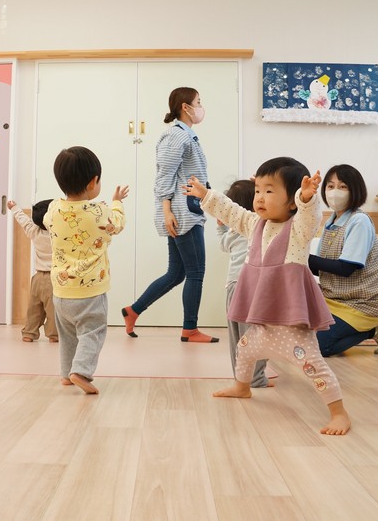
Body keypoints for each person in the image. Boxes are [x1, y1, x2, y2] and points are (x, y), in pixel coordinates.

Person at [185, 157, 351, 435]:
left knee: (314, 366)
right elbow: (232, 212)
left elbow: (310, 217)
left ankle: (339, 413)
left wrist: (306, 198)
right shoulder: (254, 224)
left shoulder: (298, 230)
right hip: (263, 324)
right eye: (258, 190)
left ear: (291, 201)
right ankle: (242, 387)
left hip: (291, 327)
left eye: (269, 191)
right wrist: (206, 196)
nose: (260, 197)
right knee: (244, 349)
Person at [122, 87, 219, 343]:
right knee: (195, 272)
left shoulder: (186, 135)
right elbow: (164, 175)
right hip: (182, 214)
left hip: (186, 210)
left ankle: (133, 311)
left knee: (176, 273)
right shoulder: (176, 136)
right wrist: (166, 211)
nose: (201, 107)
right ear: (186, 107)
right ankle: (190, 329)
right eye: (199, 102)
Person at [43, 146, 128, 395]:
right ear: (93, 182)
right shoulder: (98, 211)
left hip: (61, 291)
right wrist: (117, 202)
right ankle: (80, 371)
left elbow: (46, 222)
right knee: (93, 331)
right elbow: (117, 224)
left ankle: (66, 373)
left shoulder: (53, 209)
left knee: (68, 335)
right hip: (90, 291)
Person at [309, 164, 378, 356]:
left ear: (355, 190)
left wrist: (304, 258)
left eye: (342, 187)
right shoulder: (330, 223)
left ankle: (373, 329)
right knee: (300, 333)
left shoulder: (359, 221)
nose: (334, 192)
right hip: (334, 298)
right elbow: (320, 268)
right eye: (330, 186)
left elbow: (346, 268)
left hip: (364, 302)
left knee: (318, 346)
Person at [217, 179, 278, 388]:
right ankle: (256, 377)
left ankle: (240, 377)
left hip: (233, 286)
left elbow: (223, 245)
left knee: (236, 336)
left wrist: (220, 228)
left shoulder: (234, 231)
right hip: (252, 286)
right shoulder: (260, 226)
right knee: (256, 333)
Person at [7, 198, 58, 343]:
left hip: (37, 278)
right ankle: (54, 334)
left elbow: (24, 221)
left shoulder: (34, 231)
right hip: (54, 279)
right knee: (53, 309)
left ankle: (29, 333)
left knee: (34, 308)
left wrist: (14, 208)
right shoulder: (59, 235)